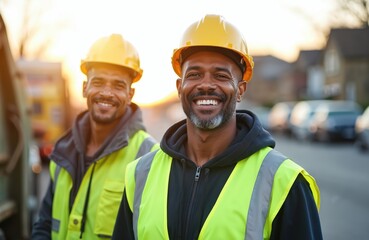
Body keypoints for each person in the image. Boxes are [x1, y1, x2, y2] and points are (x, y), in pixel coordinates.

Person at [112, 14, 323, 240]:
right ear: (179, 87)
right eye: (194, 74)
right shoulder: (141, 175)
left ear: (240, 89)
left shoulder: (285, 182)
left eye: (221, 75)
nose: (206, 85)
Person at [31, 34, 159, 239]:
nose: (107, 93)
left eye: (118, 85)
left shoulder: (148, 156)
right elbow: (44, 224)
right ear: (85, 88)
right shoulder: (64, 149)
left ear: (130, 95)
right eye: (98, 82)